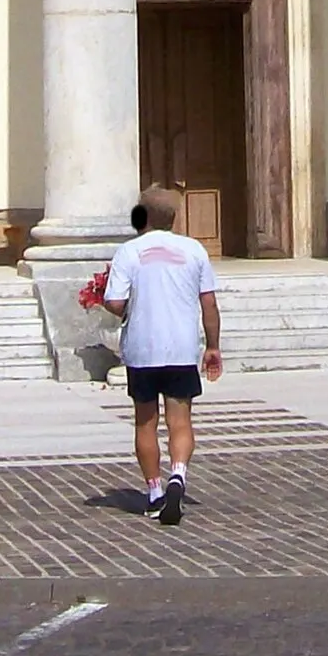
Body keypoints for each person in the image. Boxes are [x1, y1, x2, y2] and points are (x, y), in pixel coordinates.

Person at [102, 186, 221, 525]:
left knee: (145, 422)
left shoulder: (129, 252)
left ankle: (154, 491)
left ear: (143, 216)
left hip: (142, 348)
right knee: (180, 420)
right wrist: (212, 346)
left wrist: (121, 308)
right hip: (181, 347)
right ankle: (178, 474)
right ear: (173, 217)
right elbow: (208, 303)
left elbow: (115, 302)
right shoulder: (194, 250)